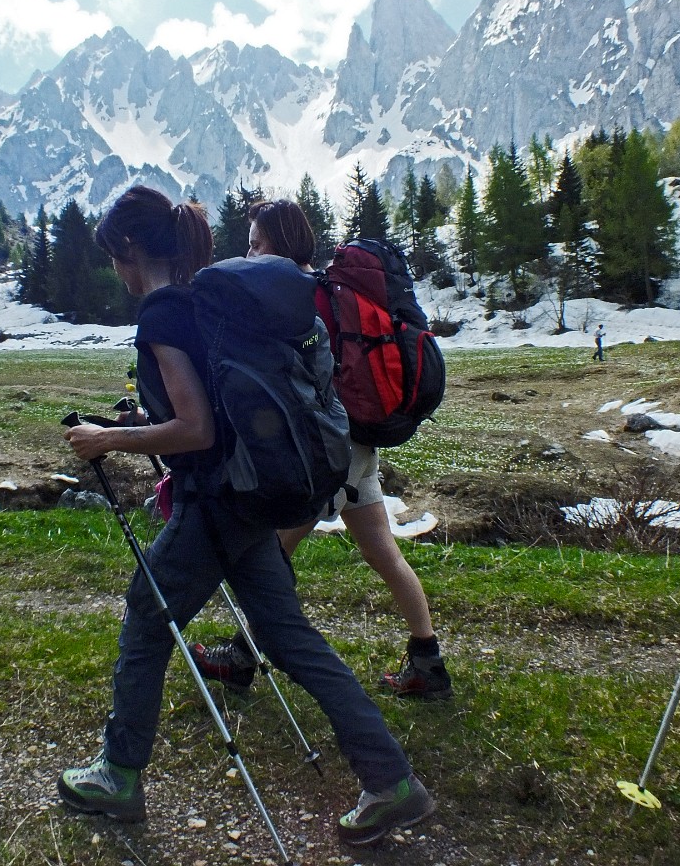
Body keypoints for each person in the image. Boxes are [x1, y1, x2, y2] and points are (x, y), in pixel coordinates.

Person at [58, 185, 433, 845]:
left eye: (113, 257)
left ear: (129, 247)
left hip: (218, 502)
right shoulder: (206, 300)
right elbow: (206, 407)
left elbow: (197, 429)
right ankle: (391, 781)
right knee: (288, 637)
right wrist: (146, 422)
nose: (114, 272)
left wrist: (108, 439)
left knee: (149, 614)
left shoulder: (164, 312)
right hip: (254, 495)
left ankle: (118, 775)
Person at [189, 198, 452, 699]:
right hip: (355, 443)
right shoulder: (328, 291)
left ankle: (243, 656)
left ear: (279, 244)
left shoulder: (298, 297)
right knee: (381, 550)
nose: (250, 253)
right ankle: (428, 662)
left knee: (273, 554)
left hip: (328, 451)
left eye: (256, 243)